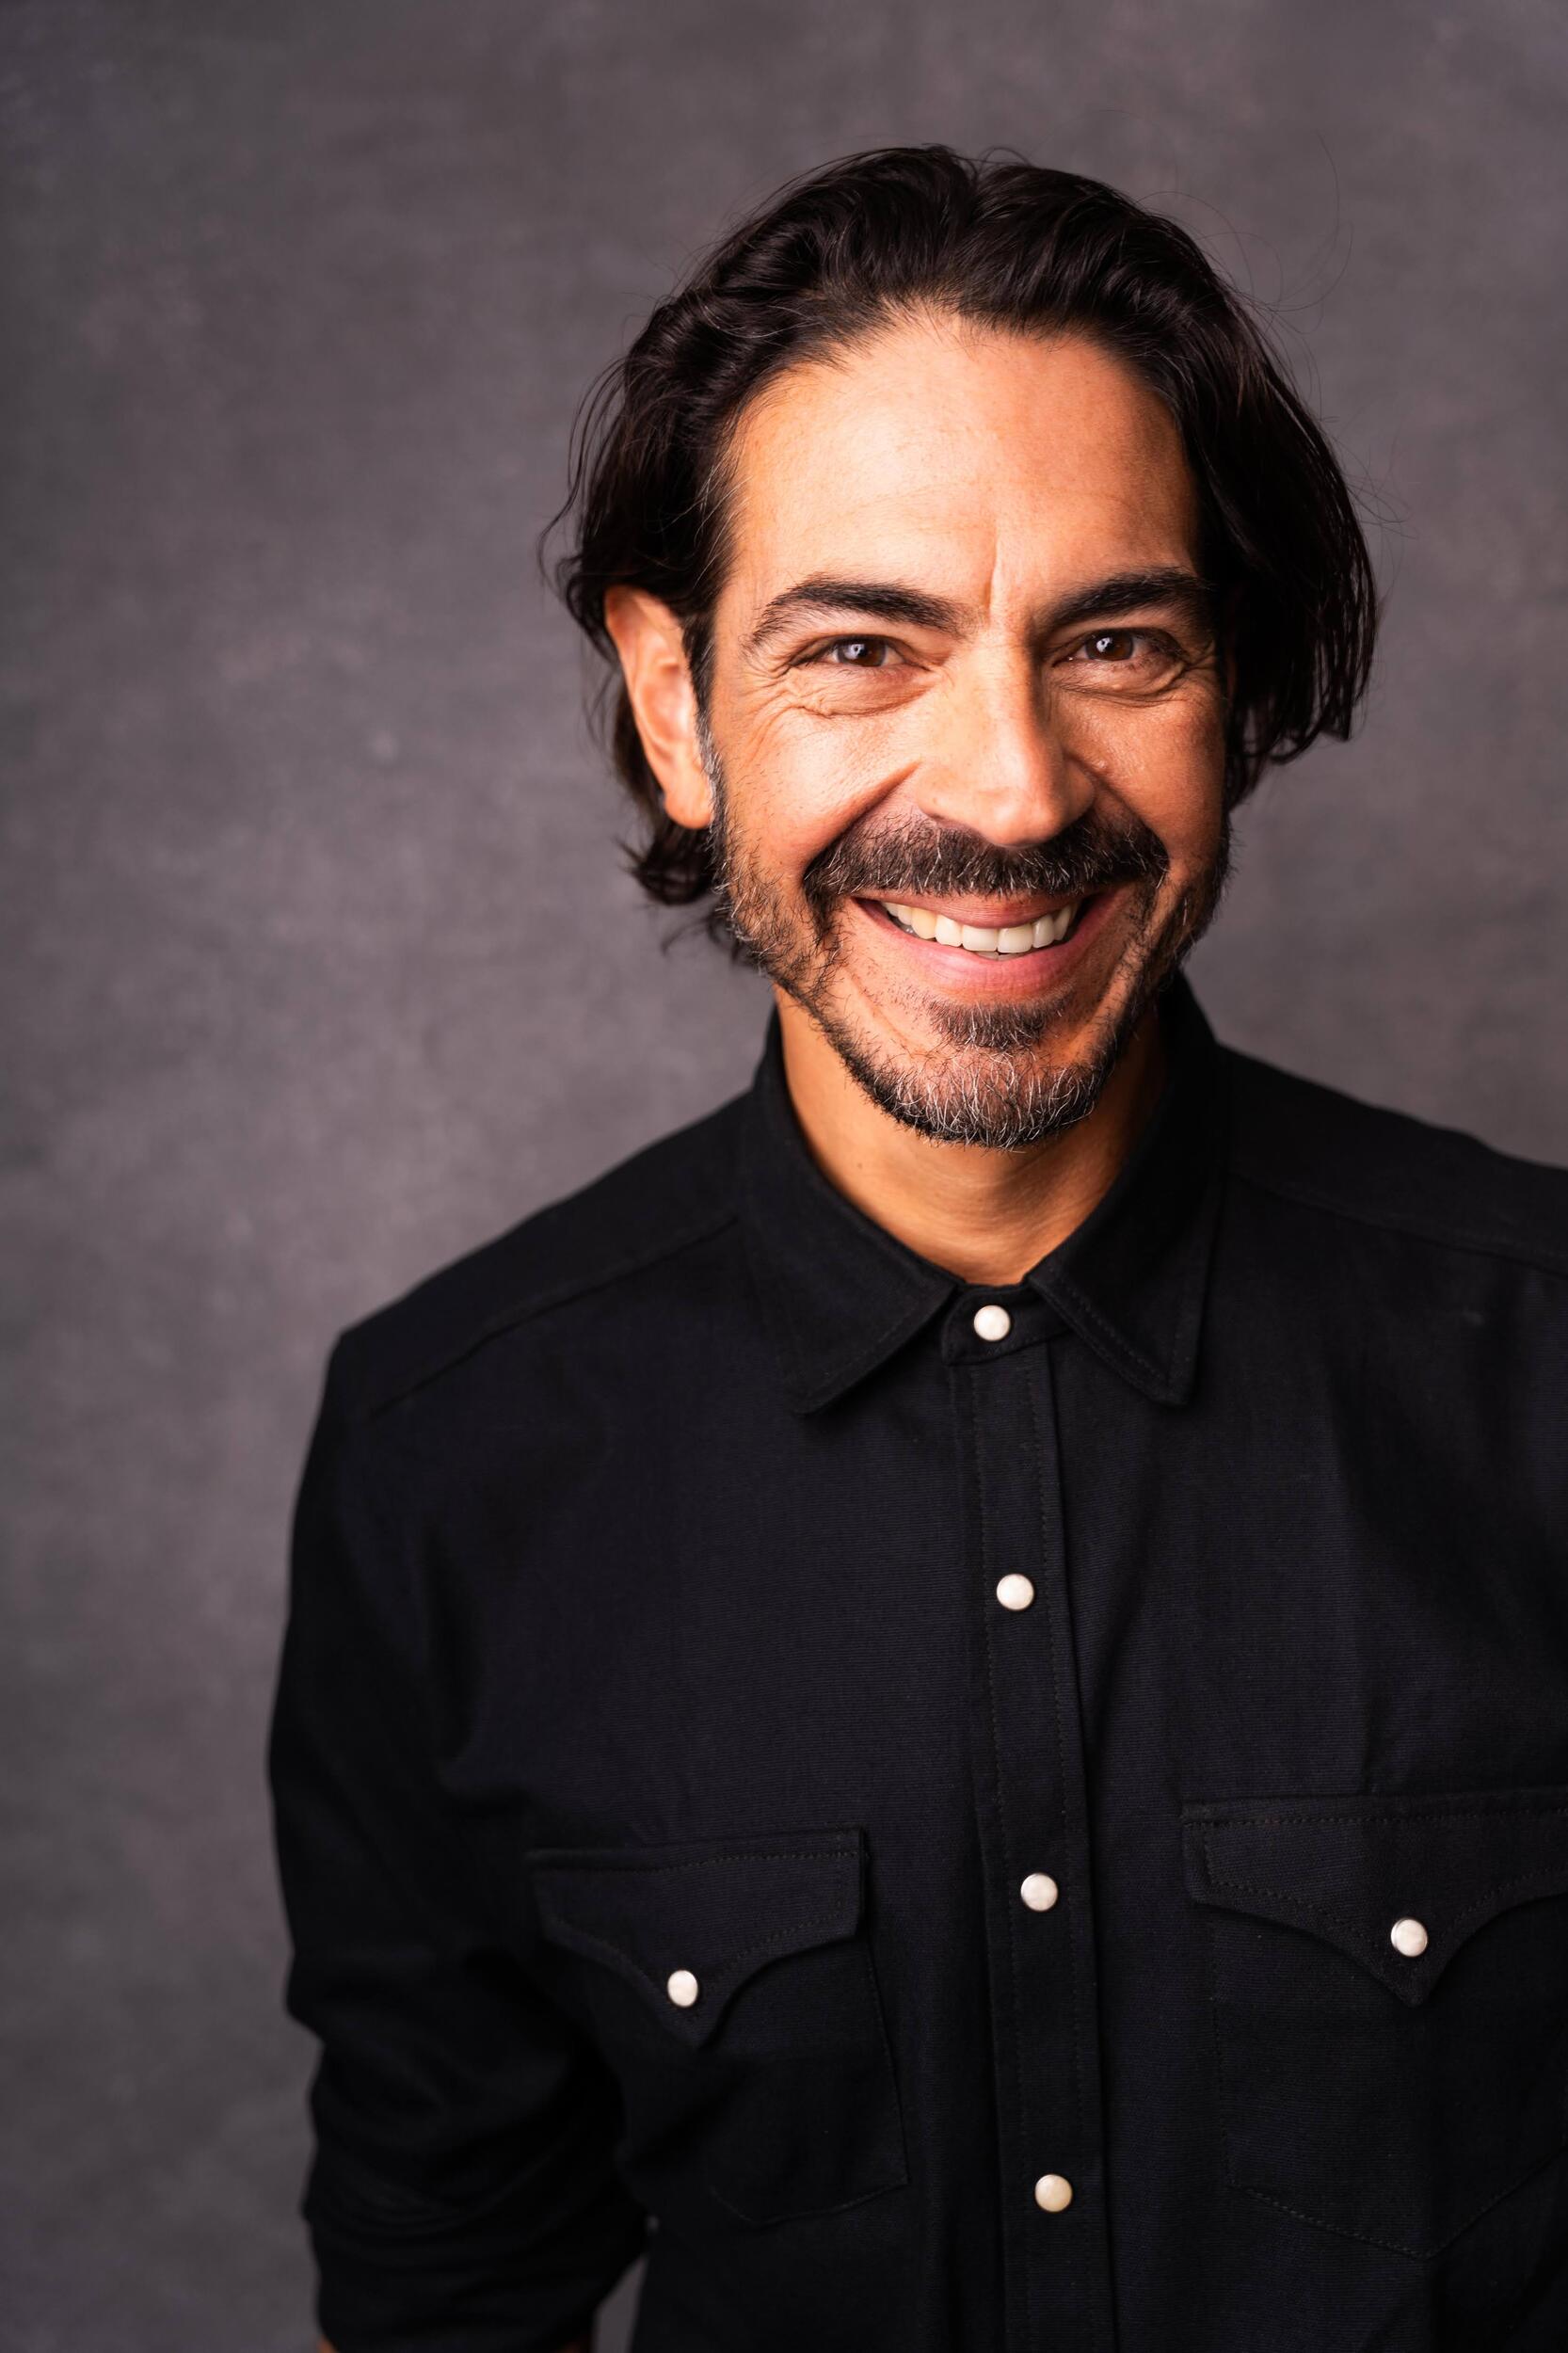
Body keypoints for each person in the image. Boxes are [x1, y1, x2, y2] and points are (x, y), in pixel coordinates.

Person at [267, 145, 1568, 2353]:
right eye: (860, 648)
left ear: (1230, 685)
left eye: (1115, 641)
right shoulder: (443, 1453)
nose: (1015, 788)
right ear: (675, 703)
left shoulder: (1538, 1361)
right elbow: (446, 2287)